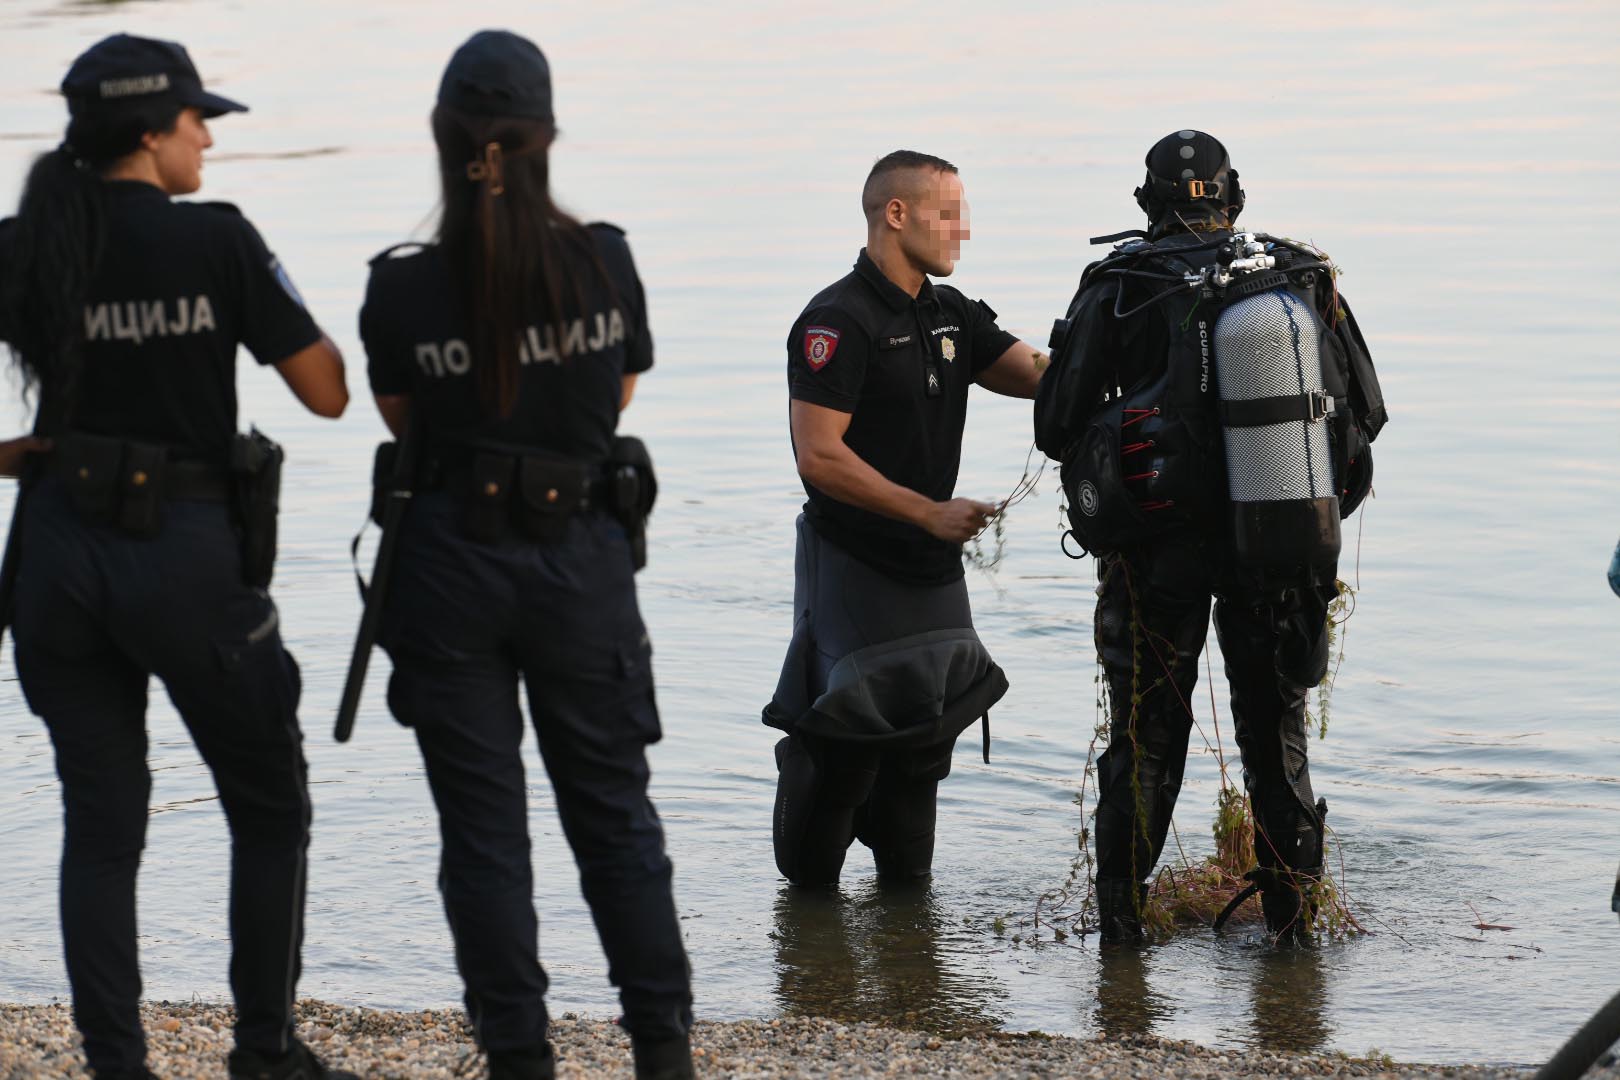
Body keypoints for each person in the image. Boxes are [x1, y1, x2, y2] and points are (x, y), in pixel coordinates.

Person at [0, 33, 351, 1080]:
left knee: (101, 821)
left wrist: (9, 454)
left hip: (55, 554)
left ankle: (117, 1065)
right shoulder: (217, 239)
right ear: (152, 132)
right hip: (186, 558)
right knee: (270, 805)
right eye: (199, 120)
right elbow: (327, 393)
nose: (208, 139)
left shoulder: (23, 243)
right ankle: (265, 1053)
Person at [357, 31, 692, 1080]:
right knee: (616, 818)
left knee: (483, 834)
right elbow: (615, 398)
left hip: (448, 561)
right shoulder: (605, 259)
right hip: (578, 557)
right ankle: (663, 1053)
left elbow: (404, 418)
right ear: (546, 137)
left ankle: (517, 1057)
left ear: (442, 136)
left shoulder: (401, 286)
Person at [1035, 130, 1387, 945]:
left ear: (1145, 202)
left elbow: (1056, 424)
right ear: (1236, 198)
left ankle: (1121, 938)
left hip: (1156, 552)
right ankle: (1294, 938)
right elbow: (1364, 415)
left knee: (1146, 735)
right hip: (1279, 538)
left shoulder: (1120, 285)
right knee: (1277, 736)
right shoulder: (1300, 276)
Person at [764, 150, 1048, 888]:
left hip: (931, 565)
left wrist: (1113, 350)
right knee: (846, 751)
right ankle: (809, 930)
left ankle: (909, 946)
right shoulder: (837, 321)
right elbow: (818, 455)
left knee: (923, 749)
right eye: (948, 214)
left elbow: (1041, 376)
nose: (962, 231)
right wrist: (927, 512)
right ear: (896, 214)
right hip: (851, 563)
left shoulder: (949, 313)